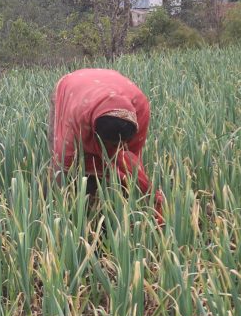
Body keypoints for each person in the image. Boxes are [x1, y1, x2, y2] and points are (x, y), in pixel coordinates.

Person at [50, 68, 165, 222]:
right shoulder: (75, 122)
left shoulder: (140, 109)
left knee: (120, 166)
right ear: (94, 133)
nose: (115, 149)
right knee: (70, 166)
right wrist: (63, 203)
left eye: (120, 144)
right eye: (108, 144)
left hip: (111, 87)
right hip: (71, 89)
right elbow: (63, 165)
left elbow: (132, 155)